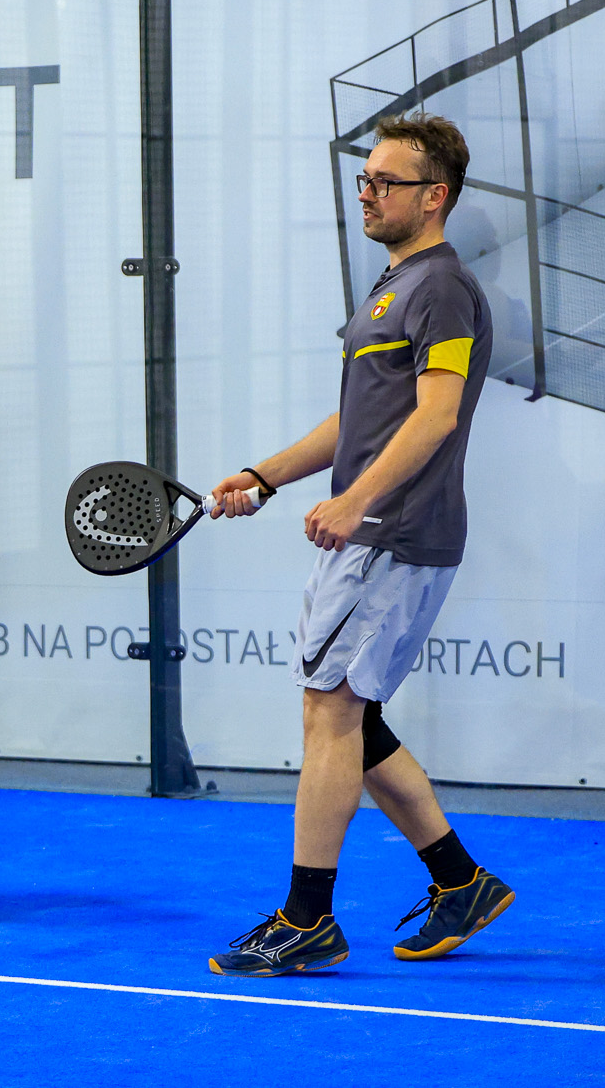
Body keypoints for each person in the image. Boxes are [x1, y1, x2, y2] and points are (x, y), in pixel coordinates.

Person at [205, 112, 513, 976]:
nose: (368, 192)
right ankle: (461, 882)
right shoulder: (391, 287)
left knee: (331, 712)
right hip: (373, 527)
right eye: (365, 179)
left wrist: (356, 499)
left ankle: (307, 919)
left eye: (386, 180)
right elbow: (359, 419)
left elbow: (438, 413)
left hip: (396, 531)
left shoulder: (443, 287)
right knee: (350, 712)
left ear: (435, 195)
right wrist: (263, 475)